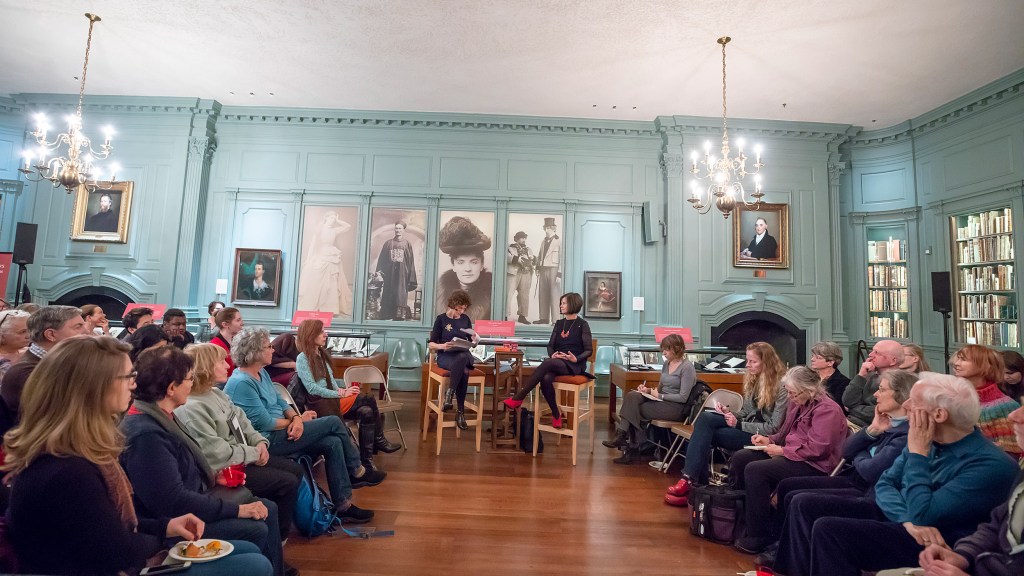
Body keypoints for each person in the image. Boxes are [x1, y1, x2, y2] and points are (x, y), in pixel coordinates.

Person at [2, 336, 272, 576]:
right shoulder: (66, 469)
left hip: (118, 552)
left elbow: (107, 523)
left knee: (250, 549)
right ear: (95, 387)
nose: (133, 385)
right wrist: (165, 535)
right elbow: (116, 550)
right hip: (101, 566)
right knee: (255, 563)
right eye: (127, 377)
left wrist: (166, 526)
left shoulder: (78, 449)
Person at [120, 345, 288, 575]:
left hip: (191, 499)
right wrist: (238, 510)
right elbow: (171, 500)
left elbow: (176, 471)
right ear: (171, 388)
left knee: (266, 509)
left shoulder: (158, 415)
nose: (192, 384)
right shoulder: (147, 435)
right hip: (172, 524)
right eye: (188, 379)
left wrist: (209, 476)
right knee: (256, 528)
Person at [767, 369, 919, 574]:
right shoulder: (885, 423)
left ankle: (791, 565)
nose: (875, 394)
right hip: (856, 479)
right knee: (790, 490)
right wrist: (872, 430)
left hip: (872, 495)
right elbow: (847, 450)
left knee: (802, 502)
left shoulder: (906, 432)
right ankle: (784, 556)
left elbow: (869, 471)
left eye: (882, 390)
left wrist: (861, 455)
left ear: (901, 396)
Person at [225, 327, 383, 524]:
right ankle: (357, 470)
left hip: (284, 430)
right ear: (255, 352)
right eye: (268, 347)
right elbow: (264, 423)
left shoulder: (261, 373)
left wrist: (298, 419)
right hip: (267, 440)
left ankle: (343, 506)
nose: (273, 350)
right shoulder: (242, 382)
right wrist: (294, 421)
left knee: (332, 442)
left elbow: (281, 402)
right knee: (333, 422)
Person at [177, 343, 303, 545]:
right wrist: (254, 452)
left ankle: (278, 538)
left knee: (294, 471)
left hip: (244, 455)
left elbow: (242, 421)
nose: (227, 365)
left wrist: (260, 443)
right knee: (286, 482)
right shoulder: (193, 406)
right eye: (220, 362)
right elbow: (216, 454)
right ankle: (277, 539)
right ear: (206, 367)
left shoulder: (215, 393)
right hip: (225, 469)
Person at [880, 403, 1024, 576]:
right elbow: (998, 524)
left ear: (940, 414)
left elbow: (922, 515)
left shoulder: (992, 464)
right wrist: (964, 555)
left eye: (916, 401)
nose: (1013, 416)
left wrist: (918, 454)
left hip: (943, 535)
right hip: (971, 557)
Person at [729, 365, 849, 554]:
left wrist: (783, 451)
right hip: (793, 453)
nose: (791, 398)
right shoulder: (798, 402)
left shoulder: (828, 410)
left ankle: (759, 534)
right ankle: (741, 518)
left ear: (809, 390)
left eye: (793, 394)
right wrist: (769, 440)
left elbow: (817, 449)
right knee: (741, 457)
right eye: (789, 393)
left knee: (756, 470)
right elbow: (785, 432)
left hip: (815, 464)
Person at [664, 341, 789, 507]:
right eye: (748, 360)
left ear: (766, 362)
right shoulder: (754, 380)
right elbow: (745, 413)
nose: (748, 365)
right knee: (706, 421)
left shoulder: (782, 387)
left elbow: (774, 427)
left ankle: (692, 485)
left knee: (702, 433)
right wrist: (727, 412)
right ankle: (694, 485)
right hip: (746, 427)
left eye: (753, 361)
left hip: (762, 437)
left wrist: (738, 424)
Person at [295, 319, 401, 466]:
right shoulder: (302, 358)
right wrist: (341, 394)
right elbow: (312, 389)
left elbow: (330, 383)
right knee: (368, 397)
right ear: (310, 335)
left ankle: (367, 461)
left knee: (367, 411)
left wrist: (343, 390)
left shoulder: (321, 354)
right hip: (322, 404)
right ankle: (379, 440)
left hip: (333, 398)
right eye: (321, 332)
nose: (325, 334)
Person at [502, 292, 592, 429]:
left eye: (564, 303)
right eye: (561, 303)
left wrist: (575, 358)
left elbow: (588, 350)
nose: (560, 306)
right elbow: (550, 345)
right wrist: (553, 354)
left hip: (574, 364)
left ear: (573, 304)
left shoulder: (583, 324)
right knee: (545, 377)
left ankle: (519, 397)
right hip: (558, 362)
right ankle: (556, 414)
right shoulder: (559, 323)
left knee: (547, 363)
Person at [604, 333, 698, 464]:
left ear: (676, 349)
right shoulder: (667, 364)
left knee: (634, 409)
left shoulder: (687, 367)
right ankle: (624, 438)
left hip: (675, 407)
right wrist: (647, 390)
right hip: (661, 400)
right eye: (663, 350)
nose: (663, 353)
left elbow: (683, 397)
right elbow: (660, 388)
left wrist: (659, 396)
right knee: (632, 396)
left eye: (666, 350)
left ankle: (630, 446)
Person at [0, 305, 88, 435]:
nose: (86, 332)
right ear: (51, 334)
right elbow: (65, 418)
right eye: (78, 327)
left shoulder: (55, 364)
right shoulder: (27, 372)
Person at [951, 344, 1021, 457]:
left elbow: (1011, 455)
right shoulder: (952, 399)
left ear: (986, 366)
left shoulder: (1006, 407)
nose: (956, 363)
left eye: (963, 359)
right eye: (958, 358)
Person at [428, 290, 482, 430]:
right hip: (446, 356)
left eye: (465, 308)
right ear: (453, 304)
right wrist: (443, 345)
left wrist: (475, 340)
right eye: (460, 308)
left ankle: (449, 395)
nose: (462, 311)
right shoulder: (441, 319)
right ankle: (460, 413)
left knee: (463, 357)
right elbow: (431, 344)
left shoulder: (465, 319)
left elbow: (471, 340)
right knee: (463, 371)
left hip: (463, 354)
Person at [434, 216, 493, 321]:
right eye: (460, 262)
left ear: (482, 264)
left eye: (474, 262)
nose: (467, 269)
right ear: (453, 265)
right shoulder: (439, 293)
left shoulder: (493, 293)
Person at [297, 210, 353, 317]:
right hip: (320, 256)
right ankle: (318, 307)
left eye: (334, 218)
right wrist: (309, 258)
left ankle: (330, 309)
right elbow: (313, 245)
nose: (333, 220)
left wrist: (338, 220)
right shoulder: (319, 230)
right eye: (331, 218)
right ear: (326, 218)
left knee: (332, 283)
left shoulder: (334, 230)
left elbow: (348, 226)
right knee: (318, 283)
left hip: (331, 256)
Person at [843, 339, 905, 427]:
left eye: (876, 353)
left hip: (870, 428)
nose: (870, 355)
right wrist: (861, 375)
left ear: (893, 361)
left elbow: (881, 412)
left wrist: (852, 409)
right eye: (872, 351)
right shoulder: (870, 375)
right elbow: (848, 401)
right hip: (850, 421)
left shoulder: (900, 382)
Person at [375, 220, 418, 320]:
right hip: (389, 274)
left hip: (402, 275)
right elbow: (382, 259)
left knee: (400, 294)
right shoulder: (388, 243)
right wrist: (380, 273)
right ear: (395, 229)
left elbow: (410, 261)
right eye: (397, 228)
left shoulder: (407, 244)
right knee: (389, 292)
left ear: (403, 230)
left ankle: (399, 315)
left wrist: (410, 277)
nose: (398, 230)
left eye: (400, 228)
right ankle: (387, 314)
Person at [533, 217, 562, 324]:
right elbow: (540, 255)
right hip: (543, 269)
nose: (546, 230)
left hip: (554, 269)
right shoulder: (543, 241)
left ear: (553, 228)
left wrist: (559, 274)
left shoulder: (559, 241)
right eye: (545, 228)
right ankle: (544, 318)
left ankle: (556, 320)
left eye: (548, 228)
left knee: (554, 294)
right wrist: (537, 268)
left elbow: (562, 258)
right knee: (543, 293)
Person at [810, 340, 850, 408]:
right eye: (812, 356)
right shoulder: (809, 377)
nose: (812, 359)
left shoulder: (843, 382)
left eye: (818, 357)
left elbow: (837, 407)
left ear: (830, 362)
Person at [506, 230, 534, 324]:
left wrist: (532, 259)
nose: (524, 239)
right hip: (514, 273)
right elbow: (505, 257)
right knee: (508, 294)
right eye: (522, 237)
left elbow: (532, 260)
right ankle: (505, 315)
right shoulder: (510, 247)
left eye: (525, 237)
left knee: (524, 295)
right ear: (516, 239)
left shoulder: (528, 249)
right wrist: (517, 259)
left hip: (526, 273)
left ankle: (522, 316)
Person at [211, 306, 244, 377]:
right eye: (238, 320)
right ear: (225, 324)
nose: (242, 323)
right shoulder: (215, 346)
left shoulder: (238, 342)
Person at [0, 309, 30, 377]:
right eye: (23, 332)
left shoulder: (32, 354)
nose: (28, 335)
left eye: (30, 330)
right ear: (2, 334)